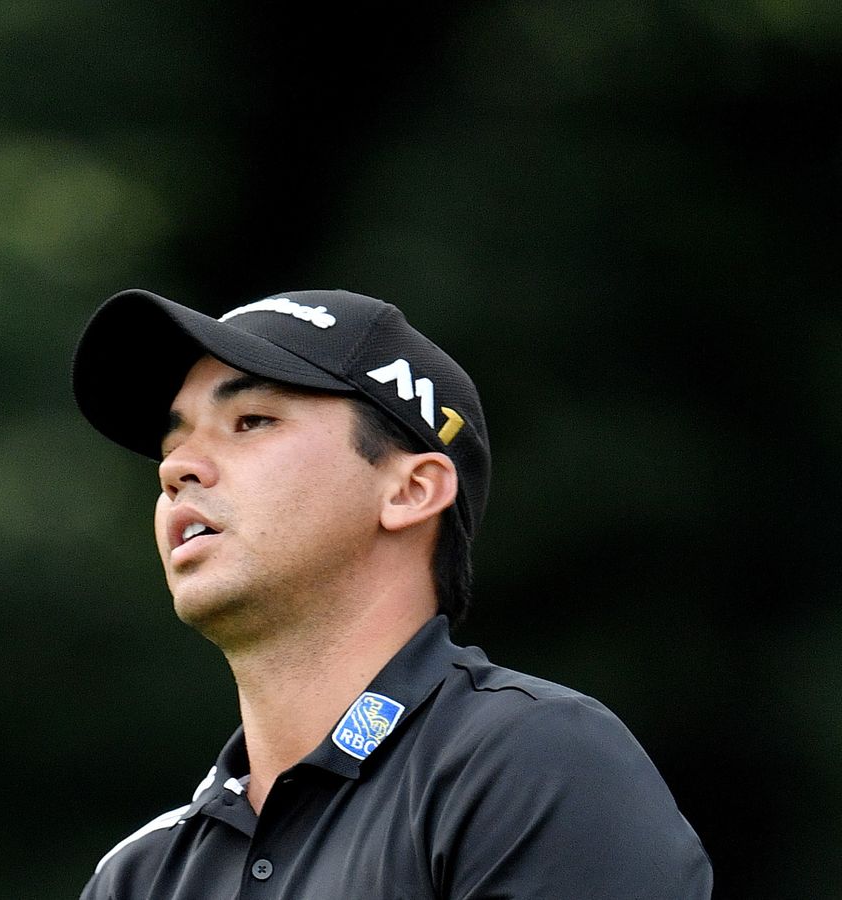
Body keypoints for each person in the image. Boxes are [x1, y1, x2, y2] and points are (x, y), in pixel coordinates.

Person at [70, 288, 711, 899]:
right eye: (173, 443)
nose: (175, 468)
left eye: (251, 421)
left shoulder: (532, 761)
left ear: (411, 490)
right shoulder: (135, 876)